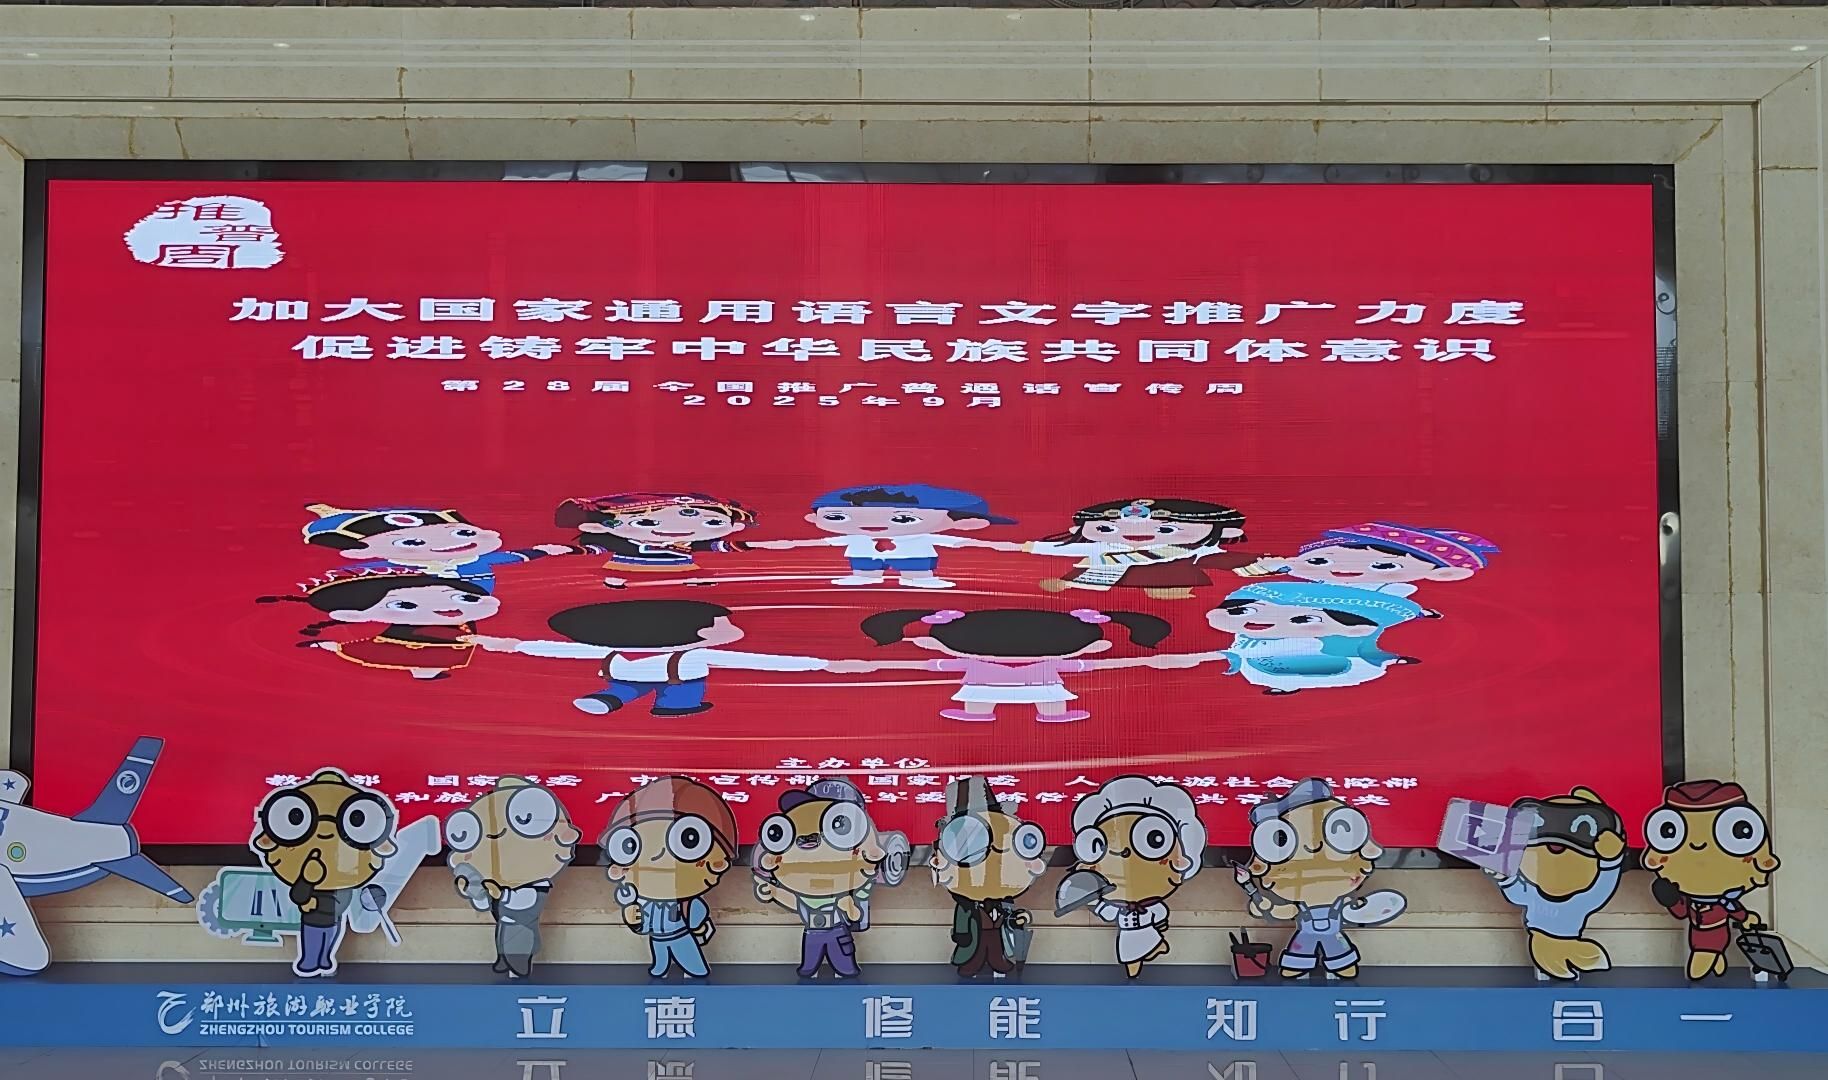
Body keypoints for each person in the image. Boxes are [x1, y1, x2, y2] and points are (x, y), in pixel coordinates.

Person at [470, 599, 872, 715]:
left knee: (632, 688)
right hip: (673, 677)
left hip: (631, 674)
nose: (732, 631)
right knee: (675, 695)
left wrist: (513, 644)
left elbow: (563, 649)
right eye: (720, 625)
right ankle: (636, 702)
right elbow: (758, 660)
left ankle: (615, 699)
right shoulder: (695, 654)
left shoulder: (613, 649)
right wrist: (823, 665)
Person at [856, 607, 1186, 723]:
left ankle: (1048, 713)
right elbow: (930, 665)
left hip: (1013, 686)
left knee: (1044, 699)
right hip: (1009, 686)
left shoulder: (970, 658)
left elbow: (932, 665)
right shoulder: (1054, 660)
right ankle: (979, 713)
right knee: (986, 699)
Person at [1237, 778, 1406, 979]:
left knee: (1337, 949)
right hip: (1305, 934)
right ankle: (1300, 965)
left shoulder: (1340, 901)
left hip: (1334, 934)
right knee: (1302, 948)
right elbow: (1284, 911)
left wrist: (1370, 909)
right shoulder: (1299, 905)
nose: (1313, 847)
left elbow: (1355, 910)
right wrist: (1267, 907)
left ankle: (1340, 965)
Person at [752, 779, 909, 978]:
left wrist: (849, 906)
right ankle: (812, 972)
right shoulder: (806, 898)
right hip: (812, 934)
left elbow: (855, 915)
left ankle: (841, 973)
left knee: (844, 966)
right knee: (809, 967)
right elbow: (794, 901)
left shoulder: (849, 890)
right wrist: (774, 892)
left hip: (838, 933)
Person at [251, 769, 399, 978]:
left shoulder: (345, 879)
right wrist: (307, 881)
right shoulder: (310, 873)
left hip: (334, 918)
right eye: (296, 818)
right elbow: (297, 895)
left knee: (330, 939)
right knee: (313, 941)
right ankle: (310, 961)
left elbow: (346, 894)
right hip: (313, 919)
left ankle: (323, 960)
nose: (325, 832)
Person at [1062, 775, 1205, 978]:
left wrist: (1160, 922)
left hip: (1145, 929)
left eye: (1155, 840)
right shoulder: (1117, 905)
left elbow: (1160, 913)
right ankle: (1150, 952)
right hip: (1128, 934)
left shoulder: (1149, 904)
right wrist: (1093, 901)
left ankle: (1153, 949)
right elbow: (1106, 912)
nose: (1125, 853)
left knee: (1137, 949)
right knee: (1129, 952)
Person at [748, 483, 1021, 589]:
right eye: (837, 517)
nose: (872, 525)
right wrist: (755, 545)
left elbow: (972, 543)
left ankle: (920, 578)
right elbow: (804, 543)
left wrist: (1024, 548)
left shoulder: (924, 538)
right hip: (863, 558)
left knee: (918, 572)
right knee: (864, 570)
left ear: (965, 523)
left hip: (915, 558)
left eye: (903, 519)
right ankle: (864, 576)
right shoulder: (854, 539)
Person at [601, 777, 739, 978]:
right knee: (659, 966)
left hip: (681, 936)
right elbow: (643, 925)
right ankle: (662, 969)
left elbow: (697, 915)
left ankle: (693, 974)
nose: (656, 856)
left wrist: (697, 924)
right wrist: (633, 919)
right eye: (630, 845)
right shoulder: (644, 901)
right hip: (657, 939)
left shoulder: (688, 903)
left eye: (689, 840)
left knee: (694, 967)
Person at [1643, 780, 1781, 980]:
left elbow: (1734, 909)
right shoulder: (1695, 898)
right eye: (1669, 832)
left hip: (1715, 935)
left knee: (1698, 968)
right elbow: (1682, 912)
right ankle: (1716, 959)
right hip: (1695, 934)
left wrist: (1746, 918)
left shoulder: (1725, 900)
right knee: (1707, 960)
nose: (1698, 845)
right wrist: (1670, 899)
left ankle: (1710, 957)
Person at [259, 567, 501, 680]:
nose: (446, 608)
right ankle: (323, 645)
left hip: (443, 643)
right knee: (389, 652)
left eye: (465, 598)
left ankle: (428, 672)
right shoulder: (426, 623)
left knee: (432, 657)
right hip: (411, 642)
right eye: (403, 605)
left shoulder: (462, 619)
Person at [446, 777, 581, 979]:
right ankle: (504, 961)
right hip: (504, 919)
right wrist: (479, 890)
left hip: (520, 924)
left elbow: (526, 901)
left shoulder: (537, 887)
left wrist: (502, 894)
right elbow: (486, 898)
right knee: (504, 938)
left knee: (518, 943)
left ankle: (518, 966)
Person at [1486, 787, 1626, 981]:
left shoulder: (1580, 902)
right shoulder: (1541, 895)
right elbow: (1515, 891)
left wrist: (1611, 860)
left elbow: (1603, 886)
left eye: (1584, 829)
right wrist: (1504, 874)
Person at [302, 503, 597, 594]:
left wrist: (545, 550)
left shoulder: (474, 560)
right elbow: (357, 579)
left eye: (463, 532)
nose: (453, 543)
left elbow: (509, 557)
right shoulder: (391, 570)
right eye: (412, 542)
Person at [1194, 582, 1425, 693]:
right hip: (1261, 665)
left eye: (1304, 619)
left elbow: (1239, 653)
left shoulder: (1316, 641)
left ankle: (1390, 660)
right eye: (1242, 610)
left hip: (1328, 663)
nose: (1264, 621)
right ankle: (1283, 686)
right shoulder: (1250, 636)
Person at [1019, 498, 1265, 600]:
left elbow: (1222, 559)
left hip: (1170, 574)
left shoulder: (1191, 549)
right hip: (1107, 576)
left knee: (1170, 580)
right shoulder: (1105, 547)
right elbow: (1061, 549)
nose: (1135, 533)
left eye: (1166, 529)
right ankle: (1071, 585)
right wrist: (1027, 547)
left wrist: (1263, 564)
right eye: (1106, 528)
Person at [1247, 522, 1499, 616]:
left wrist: (1419, 611)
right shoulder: (1298, 578)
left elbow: (1394, 604)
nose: (1344, 570)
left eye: (1386, 565)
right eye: (1319, 561)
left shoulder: (1394, 589)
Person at [930, 777, 1047, 977]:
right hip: (973, 942)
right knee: (973, 958)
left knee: (997, 953)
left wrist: (1020, 919)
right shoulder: (966, 905)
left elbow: (1012, 919)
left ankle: (998, 964)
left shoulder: (1005, 901)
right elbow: (961, 924)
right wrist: (962, 936)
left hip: (997, 940)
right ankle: (973, 966)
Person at [555, 491, 753, 589]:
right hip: (626, 569)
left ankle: (691, 580)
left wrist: (758, 545)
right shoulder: (618, 541)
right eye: (644, 522)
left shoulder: (689, 543)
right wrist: (562, 550)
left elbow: (722, 546)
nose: (676, 529)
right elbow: (592, 550)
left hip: (683, 570)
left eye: (712, 522)